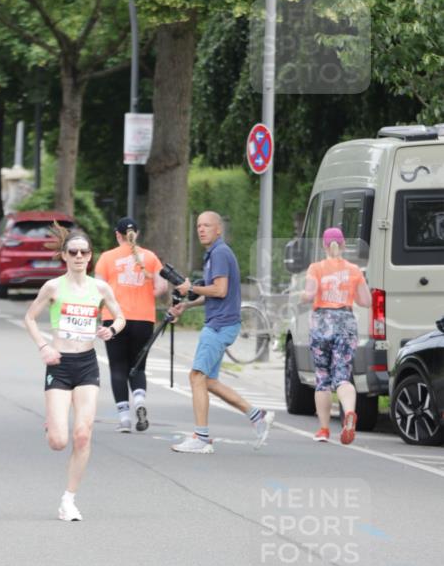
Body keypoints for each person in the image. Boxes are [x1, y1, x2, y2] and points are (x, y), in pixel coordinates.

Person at [24, 225, 125, 521]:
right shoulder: (53, 287)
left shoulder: (100, 288)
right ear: (65, 257)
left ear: (90, 256)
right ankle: (52, 423)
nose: (79, 256)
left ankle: (69, 500)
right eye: (73, 252)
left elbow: (120, 317)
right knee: (59, 442)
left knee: (83, 435)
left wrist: (111, 330)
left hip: (87, 364)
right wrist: (43, 346)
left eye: (84, 252)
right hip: (59, 364)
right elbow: (29, 318)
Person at [169, 211, 274, 453]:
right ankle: (257, 416)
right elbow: (215, 294)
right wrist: (188, 303)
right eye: (198, 226)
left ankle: (202, 438)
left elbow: (220, 290)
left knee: (196, 377)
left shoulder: (219, 253)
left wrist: (190, 287)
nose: (201, 229)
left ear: (219, 229)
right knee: (209, 381)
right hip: (223, 322)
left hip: (218, 326)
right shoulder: (214, 254)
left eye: (207, 225)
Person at [94, 216, 168, 432]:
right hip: (144, 319)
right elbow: (162, 287)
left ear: (117, 235)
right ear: (137, 233)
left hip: (115, 318)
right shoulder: (151, 257)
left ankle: (125, 419)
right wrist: (146, 294)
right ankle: (140, 401)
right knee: (138, 367)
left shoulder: (107, 258)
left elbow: (98, 288)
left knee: (118, 367)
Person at [301, 227, 372, 444]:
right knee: (343, 375)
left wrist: (303, 295)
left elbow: (310, 294)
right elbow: (366, 301)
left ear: (324, 246)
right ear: (342, 246)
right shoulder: (354, 270)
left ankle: (323, 429)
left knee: (323, 377)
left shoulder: (316, 268)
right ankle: (349, 412)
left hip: (322, 322)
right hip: (346, 321)